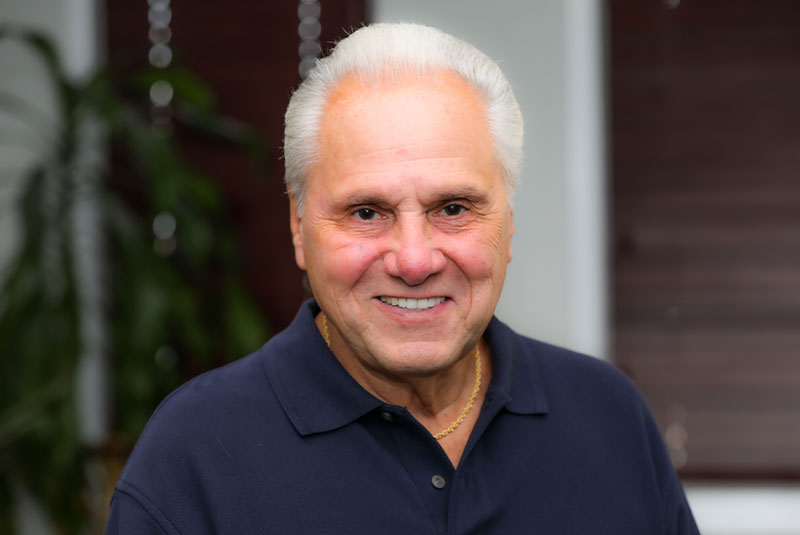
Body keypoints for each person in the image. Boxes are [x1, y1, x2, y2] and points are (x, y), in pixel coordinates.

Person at [106, 23, 699, 534]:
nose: (414, 262)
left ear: (508, 225)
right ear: (298, 226)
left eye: (454, 209)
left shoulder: (610, 418)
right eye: (367, 213)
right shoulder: (193, 456)